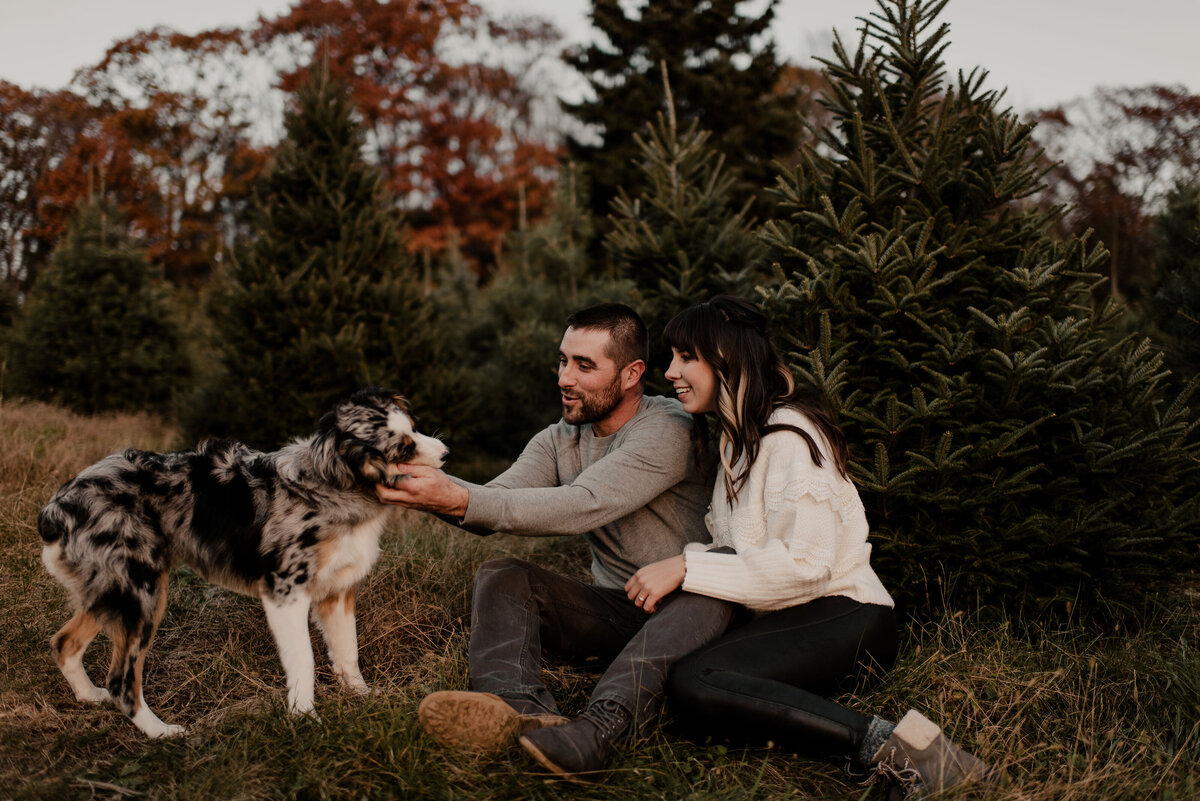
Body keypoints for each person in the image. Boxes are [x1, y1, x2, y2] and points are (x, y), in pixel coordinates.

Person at [518, 296, 992, 795]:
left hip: (847, 614)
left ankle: (903, 751)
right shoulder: (736, 442)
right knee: (691, 691)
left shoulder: (789, 435)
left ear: (725, 359)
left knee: (698, 681)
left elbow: (807, 565)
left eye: (686, 357)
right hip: (784, 616)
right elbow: (735, 550)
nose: (671, 371)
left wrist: (685, 566)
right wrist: (689, 569)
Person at [376, 302, 734, 759]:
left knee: (700, 595)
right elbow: (497, 500)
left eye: (585, 365)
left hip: (691, 617)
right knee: (505, 574)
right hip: (622, 609)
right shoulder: (558, 439)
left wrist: (457, 497)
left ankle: (602, 728)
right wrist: (403, 480)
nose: (565, 378)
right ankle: (516, 710)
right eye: (564, 360)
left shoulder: (668, 428)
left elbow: (583, 504)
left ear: (631, 374)